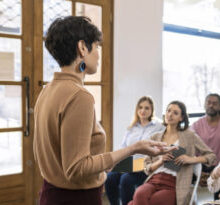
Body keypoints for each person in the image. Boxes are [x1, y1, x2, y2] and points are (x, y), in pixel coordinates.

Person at [33, 16, 174, 205]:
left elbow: (47, 154)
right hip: (76, 199)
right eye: (97, 47)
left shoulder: (47, 91)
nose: (98, 55)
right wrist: (134, 148)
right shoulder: (79, 96)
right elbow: (77, 168)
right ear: (83, 48)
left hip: (50, 193)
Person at [128, 101, 216, 205]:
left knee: (146, 202)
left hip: (175, 184)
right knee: (139, 194)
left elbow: (211, 156)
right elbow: (147, 167)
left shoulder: (189, 135)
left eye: (175, 113)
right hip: (154, 180)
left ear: (181, 117)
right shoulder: (155, 137)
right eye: (168, 111)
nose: (170, 114)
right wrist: (160, 161)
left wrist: (191, 159)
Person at [105, 96, 165, 205]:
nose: (143, 111)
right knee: (109, 178)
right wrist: (114, 162)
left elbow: (160, 148)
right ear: (137, 109)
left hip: (145, 164)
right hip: (130, 163)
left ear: (152, 110)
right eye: (140, 107)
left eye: (147, 108)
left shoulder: (159, 126)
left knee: (125, 180)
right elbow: (123, 148)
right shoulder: (131, 127)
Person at [190, 93, 220, 198]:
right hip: (198, 164)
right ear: (205, 105)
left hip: (219, 166)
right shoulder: (196, 125)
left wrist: (214, 173)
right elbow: (191, 151)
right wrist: (198, 171)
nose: (211, 105)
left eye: (214, 103)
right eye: (208, 103)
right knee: (180, 172)